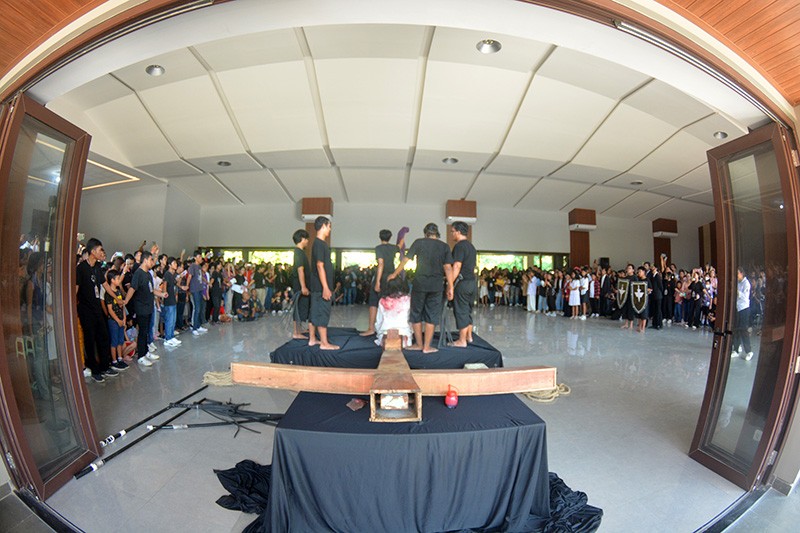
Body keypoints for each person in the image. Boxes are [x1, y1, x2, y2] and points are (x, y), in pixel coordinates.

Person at [388, 222, 453, 353]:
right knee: (432, 314)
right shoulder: (444, 246)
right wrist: (451, 286)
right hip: (436, 285)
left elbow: (405, 260)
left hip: (420, 283)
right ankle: (427, 347)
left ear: (425, 233)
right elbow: (448, 267)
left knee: (416, 312)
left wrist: (394, 274)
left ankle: (418, 344)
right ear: (437, 233)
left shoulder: (419, 242)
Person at [76, 238, 116, 382]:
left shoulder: (98, 267)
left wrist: (117, 298)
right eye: (100, 250)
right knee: (89, 340)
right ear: (92, 252)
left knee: (103, 337)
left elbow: (105, 285)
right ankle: (94, 369)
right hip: (86, 311)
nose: (101, 252)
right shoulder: (81, 269)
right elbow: (76, 290)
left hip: (97, 309)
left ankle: (105, 366)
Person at [123, 251, 163, 367]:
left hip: (149, 307)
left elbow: (152, 290)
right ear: (145, 260)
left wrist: (161, 294)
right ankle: (141, 356)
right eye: (151, 260)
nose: (152, 262)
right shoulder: (138, 274)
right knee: (142, 332)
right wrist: (126, 301)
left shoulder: (148, 274)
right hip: (141, 308)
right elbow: (132, 289)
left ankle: (146, 351)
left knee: (147, 332)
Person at [308, 217, 339, 350]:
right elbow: (320, 266)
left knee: (314, 312)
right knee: (322, 312)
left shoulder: (317, 243)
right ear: (324, 226)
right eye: (329, 226)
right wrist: (326, 287)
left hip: (316, 285)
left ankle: (312, 339)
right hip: (321, 287)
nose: (330, 229)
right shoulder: (320, 244)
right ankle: (324, 343)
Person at [362, 229, 400, 337]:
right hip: (391, 278)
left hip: (381, 277)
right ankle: (389, 329)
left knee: (373, 302)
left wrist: (377, 281)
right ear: (390, 237)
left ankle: (371, 328)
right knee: (390, 302)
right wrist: (402, 236)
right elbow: (400, 244)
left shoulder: (379, 248)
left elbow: (381, 264)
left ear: (380, 237)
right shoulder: (394, 248)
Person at [449, 221, 476, 347]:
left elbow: (457, 266)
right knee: (467, 310)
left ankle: (462, 340)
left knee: (461, 311)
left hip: (462, 283)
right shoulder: (471, 247)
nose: (452, 234)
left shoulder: (460, 246)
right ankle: (469, 336)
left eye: (453, 231)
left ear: (458, 232)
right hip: (472, 283)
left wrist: (450, 285)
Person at [374, 277, 412, 347]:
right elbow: (411, 320)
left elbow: (379, 321)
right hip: (404, 337)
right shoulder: (408, 300)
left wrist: (379, 333)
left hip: (385, 336)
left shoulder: (382, 301)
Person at [103, 269, 129, 370]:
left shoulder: (118, 291)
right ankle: (114, 361)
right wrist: (117, 320)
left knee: (120, 340)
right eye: (117, 278)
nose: (119, 280)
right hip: (113, 321)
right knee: (114, 341)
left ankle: (120, 358)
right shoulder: (109, 293)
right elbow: (110, 309)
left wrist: (124, 318)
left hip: (121, 320)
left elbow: (122, 306)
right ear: (112, 280)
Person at [291, 229, 311, 339]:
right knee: (298, 308)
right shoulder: (298, 252)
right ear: (302, 239)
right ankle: (296, 332)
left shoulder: (300, 252)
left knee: (302, 308)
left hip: (302, 285)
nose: (307, 241)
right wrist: (303, 286)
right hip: (300, 286)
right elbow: (300, 270)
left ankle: (299, 330)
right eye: (306, 239)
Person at [731, 267, 753, 360]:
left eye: (737, 274)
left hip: (744, 308)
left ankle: (749, 351)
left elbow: (745, 297)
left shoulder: (746, 283)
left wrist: (738, 292)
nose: (736, 276)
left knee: (743, 330)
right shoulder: (738, 283)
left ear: (741, 273)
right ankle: (736, 349)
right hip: (737, 308)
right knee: (736, 329)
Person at [162, 257, 181, 347]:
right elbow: (165, 285)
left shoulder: (173, 275)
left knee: (173, 320)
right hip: (168, 300)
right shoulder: (167, 274)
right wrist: (164, 295)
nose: (176, 265)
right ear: (169, 265)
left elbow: (175, 285)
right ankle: (167, 338)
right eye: (174, 263)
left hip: (173, 299)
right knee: (169, 320)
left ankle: (171, 336)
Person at [187, 251, 207, 336]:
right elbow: (189, 277)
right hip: (194, 290)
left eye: (201, 257)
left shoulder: (198, 266)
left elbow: (200, 277)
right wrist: (187, 287)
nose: (200, 258)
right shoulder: (192, 266)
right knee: (197, 308)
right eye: (199, 256)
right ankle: (194, 327)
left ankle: (198, 326)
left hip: (199, 289)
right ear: (195, 257)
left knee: (200, 307)